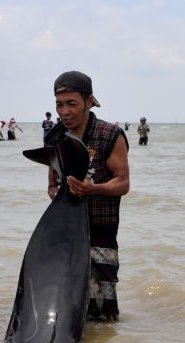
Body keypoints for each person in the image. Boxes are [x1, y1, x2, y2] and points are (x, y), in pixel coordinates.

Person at [46, 71, 130, 321]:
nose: (64, 112)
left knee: (103, 310)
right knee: (66, 304)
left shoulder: (110, 135)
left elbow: (123, 183)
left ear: (89, 101)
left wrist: (92, 189)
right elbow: (51, 186)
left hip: (101, 229)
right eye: (59, 105)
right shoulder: (55, 138)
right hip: (66, 231)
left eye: (72, 104)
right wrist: (58, 194)